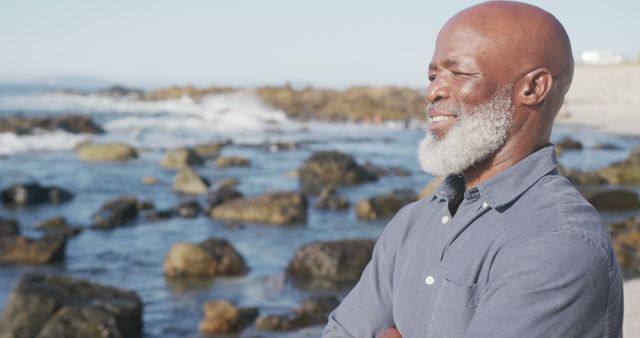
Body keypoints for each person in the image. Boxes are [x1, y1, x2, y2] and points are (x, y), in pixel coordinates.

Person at [323, 1, 624, 337]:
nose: (433, 90)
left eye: (459, 72)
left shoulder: (559, 242)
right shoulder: (411, 223)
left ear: (533, 88)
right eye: (433, 74)